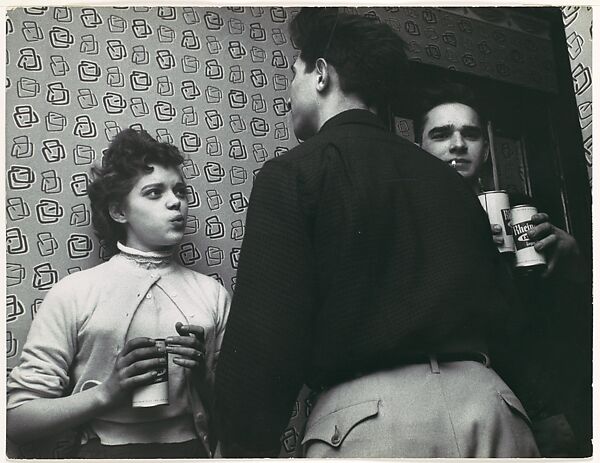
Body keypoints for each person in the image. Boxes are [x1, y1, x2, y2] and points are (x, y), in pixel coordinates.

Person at [215, 8, 540, 458]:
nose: (289, 91)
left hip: (372, 424)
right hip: (492, 409)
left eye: (295, 74)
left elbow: (263, 343)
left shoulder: (293, 173)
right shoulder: (450, 181)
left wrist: (240, 447)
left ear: (322, 74)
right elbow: (507, 319)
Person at [7, 128, 230, 459]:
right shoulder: (76, 292)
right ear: (119, 211)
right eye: (154, 193)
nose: (176, 202)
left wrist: (203, 376)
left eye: (180, 191)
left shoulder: (211, 293)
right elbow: (17, 419)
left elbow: (240, 412)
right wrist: (105, 394)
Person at [416, 82, 592, 456]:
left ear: (487, 151)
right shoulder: (410, 220)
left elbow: (559, 326)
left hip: (536, 408)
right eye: (442, 134)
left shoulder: (521, 210)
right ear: (421, 148)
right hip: (444, 408)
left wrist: (572, 262)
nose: (458, 144)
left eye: (471, 134)